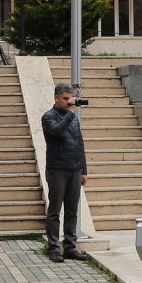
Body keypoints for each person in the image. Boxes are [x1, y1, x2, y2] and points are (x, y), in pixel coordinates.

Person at [42, 83, 90, 263]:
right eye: (65, 99)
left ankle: (70, 247)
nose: (69, 102)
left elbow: (79, 144)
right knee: (55, 211)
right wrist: (70, 113)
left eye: (70, 99)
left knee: (72, 211)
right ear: (56, 98)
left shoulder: (73, 119)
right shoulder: (49, 116)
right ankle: (53, 248)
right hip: (57, 169)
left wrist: (83, 170)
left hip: (74, 170)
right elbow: (58, 131)